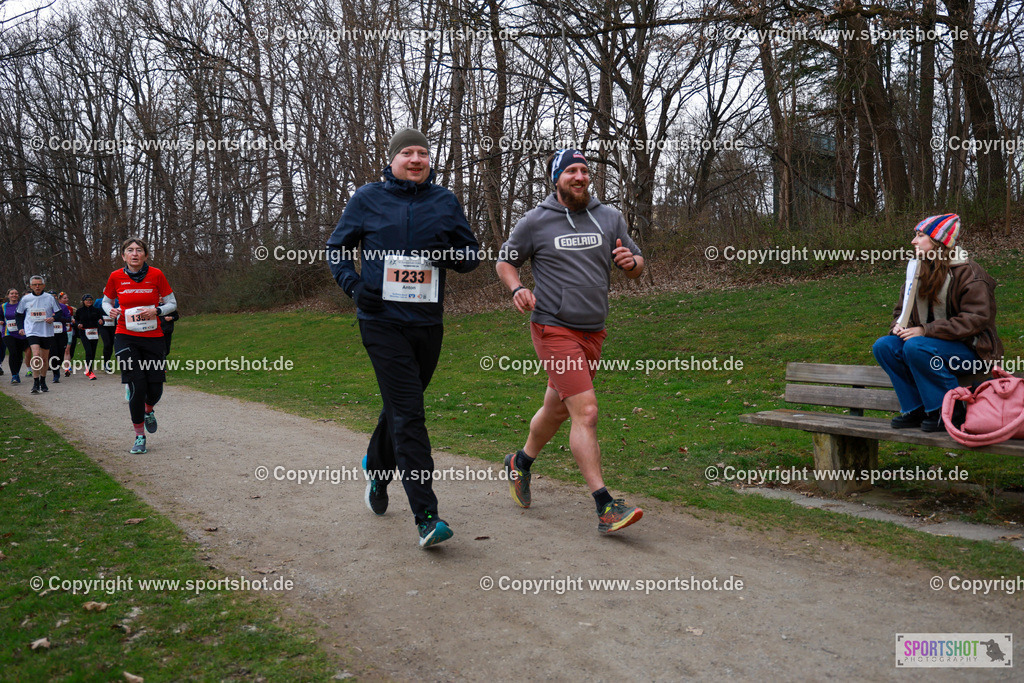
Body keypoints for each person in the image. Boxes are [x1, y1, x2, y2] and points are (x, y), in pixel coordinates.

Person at [326, 128, 480, 548]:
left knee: (401, 406)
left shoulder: (444, 201)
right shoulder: (367, 199)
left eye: (423, 153)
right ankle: (427, 517)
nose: (416, 159)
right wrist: (355, 288)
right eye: (408, 152)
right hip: (381, 321)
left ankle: (377, 467)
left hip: (427, 324)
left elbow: (471, 255)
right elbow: (336, 248)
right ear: (392, 159)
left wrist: (449, 255)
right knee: (410, 414)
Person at [496, 148, 646, 534]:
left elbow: (636, 263)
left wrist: (632, 264)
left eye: (584, 170)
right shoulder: (535, 221)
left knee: (558, 408)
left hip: (593, 330)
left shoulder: (609, 217)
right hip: (552, 326)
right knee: (587, 411)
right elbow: (505, 260)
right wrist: (517, 288)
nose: (580, 176)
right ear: (556, 178)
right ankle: (604, 506)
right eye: (571, 171)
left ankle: (520, 463)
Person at [872, 214, 1003, 432]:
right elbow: (900, 310)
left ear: (938, 241)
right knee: (884, 346)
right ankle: (917, 409)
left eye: (920, 235)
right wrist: (899, 325)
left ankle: (950, 409)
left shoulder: (969, 272)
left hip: (973, 352)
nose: (914, 241)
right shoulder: (917, 271)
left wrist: (925, 330)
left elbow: (977, 319)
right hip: (928, 346)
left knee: (916, 346)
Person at [102, 238, 177, 454]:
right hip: (125, 336)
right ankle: (139, 437)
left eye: (139, 250)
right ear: (123, 256)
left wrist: (158, 311)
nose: (134, 254)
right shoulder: (115, 276)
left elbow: (172, 303)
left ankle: (148, 410)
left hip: (153, 337)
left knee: (155, 387)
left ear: (145, 254)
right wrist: (111, 311)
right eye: (130, 250)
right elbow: (106, 301)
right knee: (137, 385)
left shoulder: (157, 274)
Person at [16, 276, 59, 394]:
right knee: (35, 355)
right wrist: (20, 327)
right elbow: (19, 314)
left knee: (44, 359)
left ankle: (43, 381)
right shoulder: (26, 299)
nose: (37, 286)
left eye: (39, 284)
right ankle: (35, 383)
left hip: (46, 331)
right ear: (30, 286)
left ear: (44, 285)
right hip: (32, 331)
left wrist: (53, 318)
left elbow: (59, 312)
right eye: (35, 284)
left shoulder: (50, 298)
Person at [74, 294, 103, 379]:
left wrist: (101, 321)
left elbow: (101, 319)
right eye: (87, 300)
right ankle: (90, 372)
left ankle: (88, 368)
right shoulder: (80, 311)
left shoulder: (96, 310)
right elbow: (75, 320)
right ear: (83, 301)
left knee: (93, 352)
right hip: (84, 332)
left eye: (90, 300)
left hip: (94, 332)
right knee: (88, 351)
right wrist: (78, 324)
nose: (89, 302)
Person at [3, 288, 29, 383]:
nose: (14, 295)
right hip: (8, 333)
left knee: (18, 354)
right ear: (8, 295)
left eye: (16, 293)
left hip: (21, 333)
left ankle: (16, 373)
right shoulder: (3, 306)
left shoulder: (23, 306)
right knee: (13, 352)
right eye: (12, 293)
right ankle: (14, 375)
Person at [47, 292, 73, 383]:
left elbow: (69, 319)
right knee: (53, 352)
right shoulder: (46, 307)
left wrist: (57, 318)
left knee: (61, 353)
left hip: (62, 333)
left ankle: (57, 366)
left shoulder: (63, 307)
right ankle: (56, 374)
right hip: (51, 334)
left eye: (54, 297)